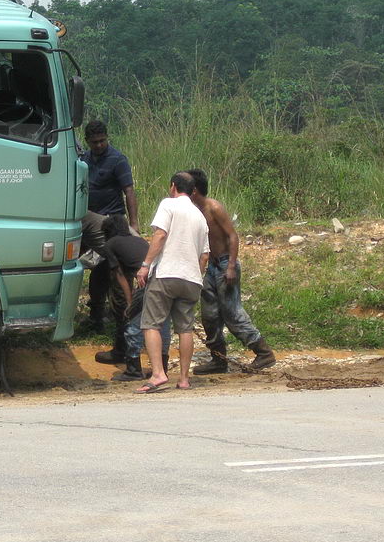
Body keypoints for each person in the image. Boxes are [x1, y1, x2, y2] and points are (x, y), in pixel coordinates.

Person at [187, 168, 275, 373]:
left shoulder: (214, 208)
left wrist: (232, 266)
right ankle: (218, 360)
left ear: (194, 190)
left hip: (225, 264)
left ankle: (263, 352)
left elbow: (232, 236)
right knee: (209, 315)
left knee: (232, 312)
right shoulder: (193, 212)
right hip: (211, 265)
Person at [135, 172, 210, 393]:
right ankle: (184, 378)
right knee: (185, 328)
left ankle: (158, 373)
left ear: (173, 186)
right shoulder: (199, 216)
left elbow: (160, 235)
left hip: (167, 274)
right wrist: (197, 274)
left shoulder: (169, 204)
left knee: (151, 324)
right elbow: (205, 255)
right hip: (192, 279)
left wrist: (146, 265)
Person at [92, 214, 171, 381]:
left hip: (148, 283)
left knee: (132, 325)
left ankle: (133, 370)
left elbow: (119, 275)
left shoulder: (111, 244)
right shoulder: (139, 240)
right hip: (163, 279)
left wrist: (130, 302)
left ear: (107, 232)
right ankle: (163, 368)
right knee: (161, 325)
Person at [80, 120, 139, 330]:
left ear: (107, 138)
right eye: (94, 142)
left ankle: (122, 315)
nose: (99, 145)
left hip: (113, 223)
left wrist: (134, 223)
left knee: (115, 269)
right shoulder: (84, 159)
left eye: (102, 141)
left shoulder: (117, 160)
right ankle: (96, 313)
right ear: (87, 142)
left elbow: (129, 191)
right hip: (86, 221)